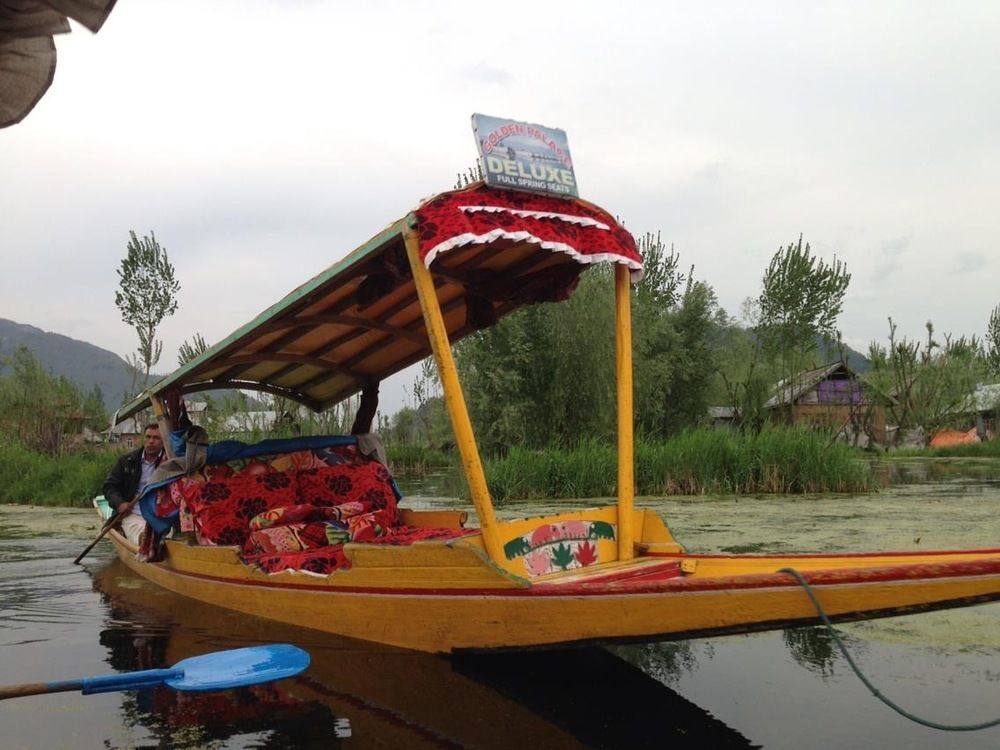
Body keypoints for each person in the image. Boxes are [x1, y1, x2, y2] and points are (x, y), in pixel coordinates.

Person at [103, 423, 165, 545]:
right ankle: (145, 543)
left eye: (156, 438)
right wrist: (120, 503)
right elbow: (109, 487)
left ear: (163, 441)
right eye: (148, 437)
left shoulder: (168, 463)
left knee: (165, 534)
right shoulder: (126, 461)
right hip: (133, 513)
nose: (151, 441)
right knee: (140, 533)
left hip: (160, 515)